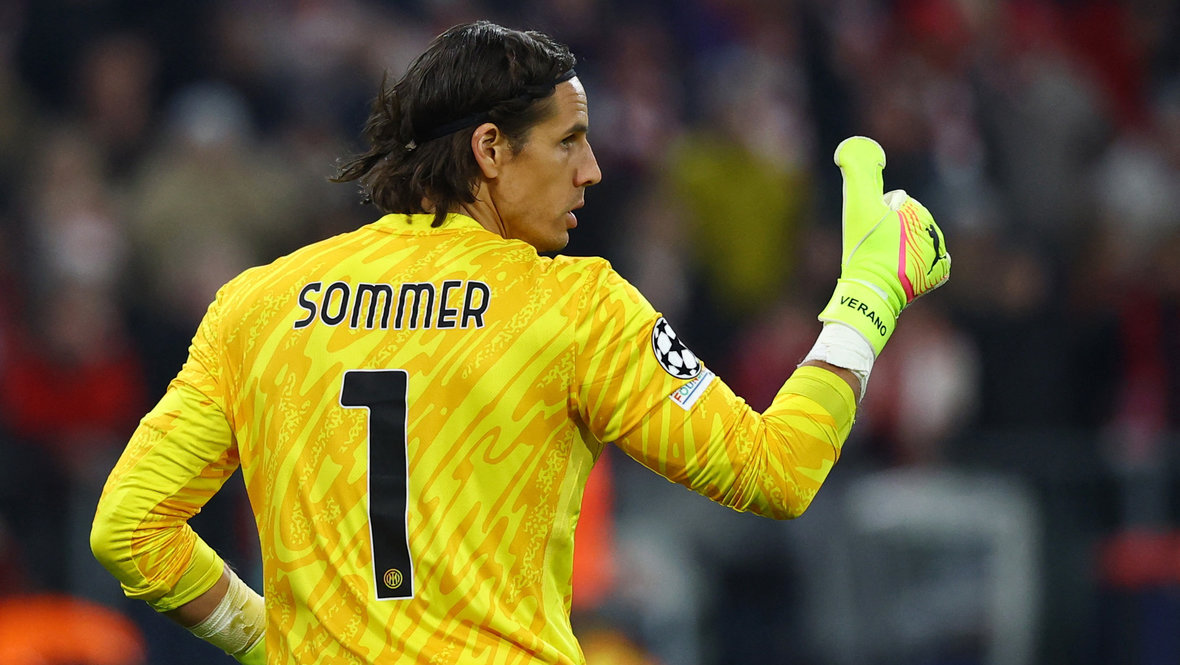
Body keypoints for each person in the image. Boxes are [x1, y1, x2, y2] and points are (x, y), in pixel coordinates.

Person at [90, 20, 950, 665]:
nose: (592, 170)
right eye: (569, 141)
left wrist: (269, 643)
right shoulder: (569, 307)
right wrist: (869, 295)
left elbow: (130, 530)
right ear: (491, 149)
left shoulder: (257, 304)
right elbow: (777, 471)